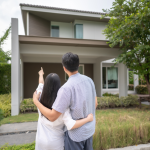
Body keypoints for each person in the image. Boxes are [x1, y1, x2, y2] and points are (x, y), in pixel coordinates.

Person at [33, 52, 98, 150]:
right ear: (78, 65)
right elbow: (95, 103)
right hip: (89, 131)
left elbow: (53, 116)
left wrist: (36, 102)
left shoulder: (66, 88)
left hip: (76, 136)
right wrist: (87, 117)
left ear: (64, 68)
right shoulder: (89, 81)